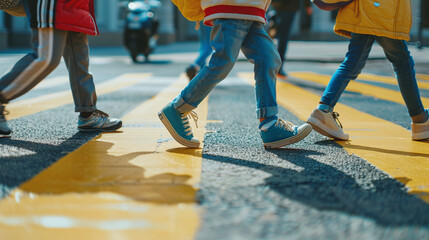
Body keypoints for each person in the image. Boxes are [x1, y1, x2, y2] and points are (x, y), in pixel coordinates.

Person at [159, 0, 312, 148]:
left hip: (252, 9)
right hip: (231, 7)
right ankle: (177, 108)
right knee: (222, 63)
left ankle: (269, 124)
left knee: (268, 59)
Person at [306, 0, 429, 141]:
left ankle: (323, 109)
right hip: (385, 12)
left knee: (352, 63)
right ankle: (420, 119)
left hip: (362, 12)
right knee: (403, 64)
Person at [0, 0, 122, 136]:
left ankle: (88, 113)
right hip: (53, 3)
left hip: (76, 4)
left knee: (79, 58)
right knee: (46, 58)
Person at [271, 0, 312, 80]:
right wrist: (307, 5)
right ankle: (278, 67)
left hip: (277, 4)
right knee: (283, 36)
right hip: (290, 6)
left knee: (277, 33)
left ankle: (274, 65)